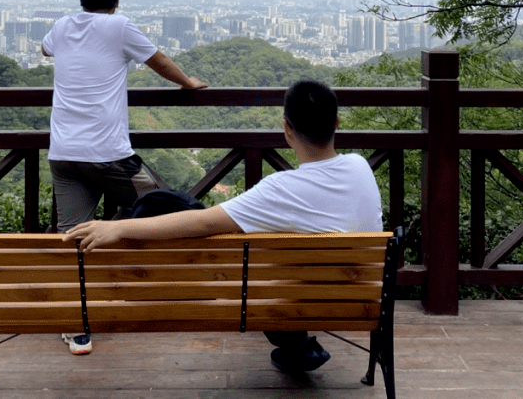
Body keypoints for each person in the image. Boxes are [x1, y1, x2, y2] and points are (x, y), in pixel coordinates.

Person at [65, 79, 383, 373]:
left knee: (168, 206)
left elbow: (203, 221)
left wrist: (119, 228)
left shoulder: (280, 190)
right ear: (336, 122)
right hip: (363, 300)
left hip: (293, 301)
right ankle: (300, 350)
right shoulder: (359, 167)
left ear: (287, 127)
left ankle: (297, 348)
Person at [42, 0, 208, 355]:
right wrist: (189, 83)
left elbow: (45, 49)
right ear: (117, 0)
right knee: (171, 211)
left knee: (73, 237)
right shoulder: (119, 27)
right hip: (109, 155)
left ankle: (76, 326)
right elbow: (159, 61)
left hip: (63, 153)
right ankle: (184, 289)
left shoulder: (62, 26)